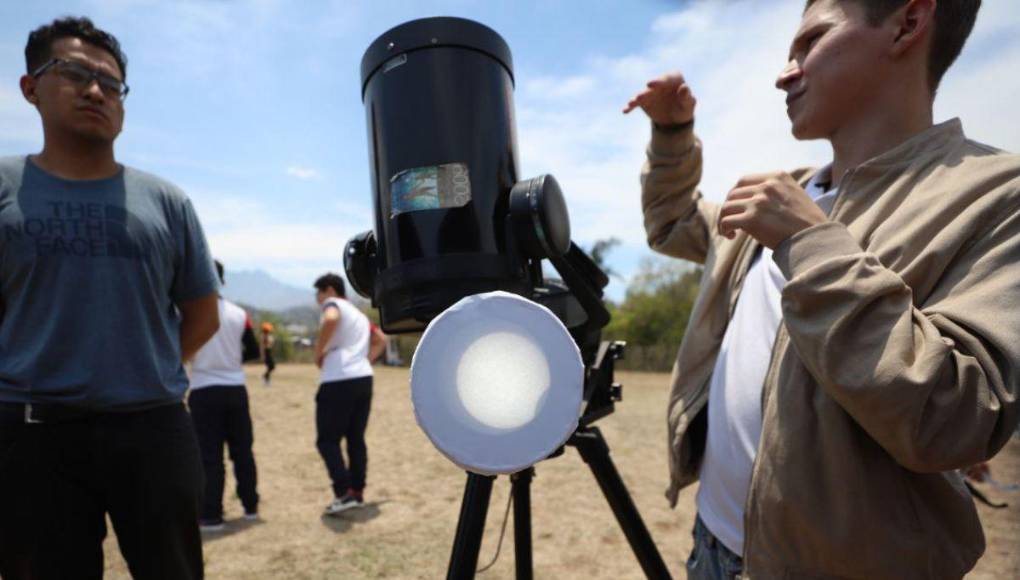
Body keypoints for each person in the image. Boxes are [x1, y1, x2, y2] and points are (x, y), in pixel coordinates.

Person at [624, 1, 1020, 578]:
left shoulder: (995, 197)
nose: (785, 71)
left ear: (908, 23)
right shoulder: (784, 192)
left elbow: (958, 419)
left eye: (811, 41)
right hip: (714, 543)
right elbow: (671, 221)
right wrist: (673, 133)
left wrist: (809, 242)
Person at [0, 17, 219, 579]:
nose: (96, 90)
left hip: (153, 429)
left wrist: (148, 366)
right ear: (30, 87)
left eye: (112, 84)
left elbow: (202, 312)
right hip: (29, 436)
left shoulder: (166, 201)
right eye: (73, 72)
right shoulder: (5, 187)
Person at [188, 260, 262, 531]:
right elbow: (253, 352)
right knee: (242, 451)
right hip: (235, 389)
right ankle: (251, 506)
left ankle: (211, 515)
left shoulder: (188, 313)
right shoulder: (238, 314)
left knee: (209, 456)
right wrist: (230, 359)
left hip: (203, 389)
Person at [312, 273, 386, 515]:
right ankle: (357, 491)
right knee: (355, 438)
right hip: (363, 377)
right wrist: (364, 361)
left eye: (319, 293)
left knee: (327, 440)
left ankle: (343, 493)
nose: (318, 300)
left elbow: (331, 318)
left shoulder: (333, 305)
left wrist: (319, 352)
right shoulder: (359, 314)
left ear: (330, 290)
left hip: (338, 379)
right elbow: (380, 340)